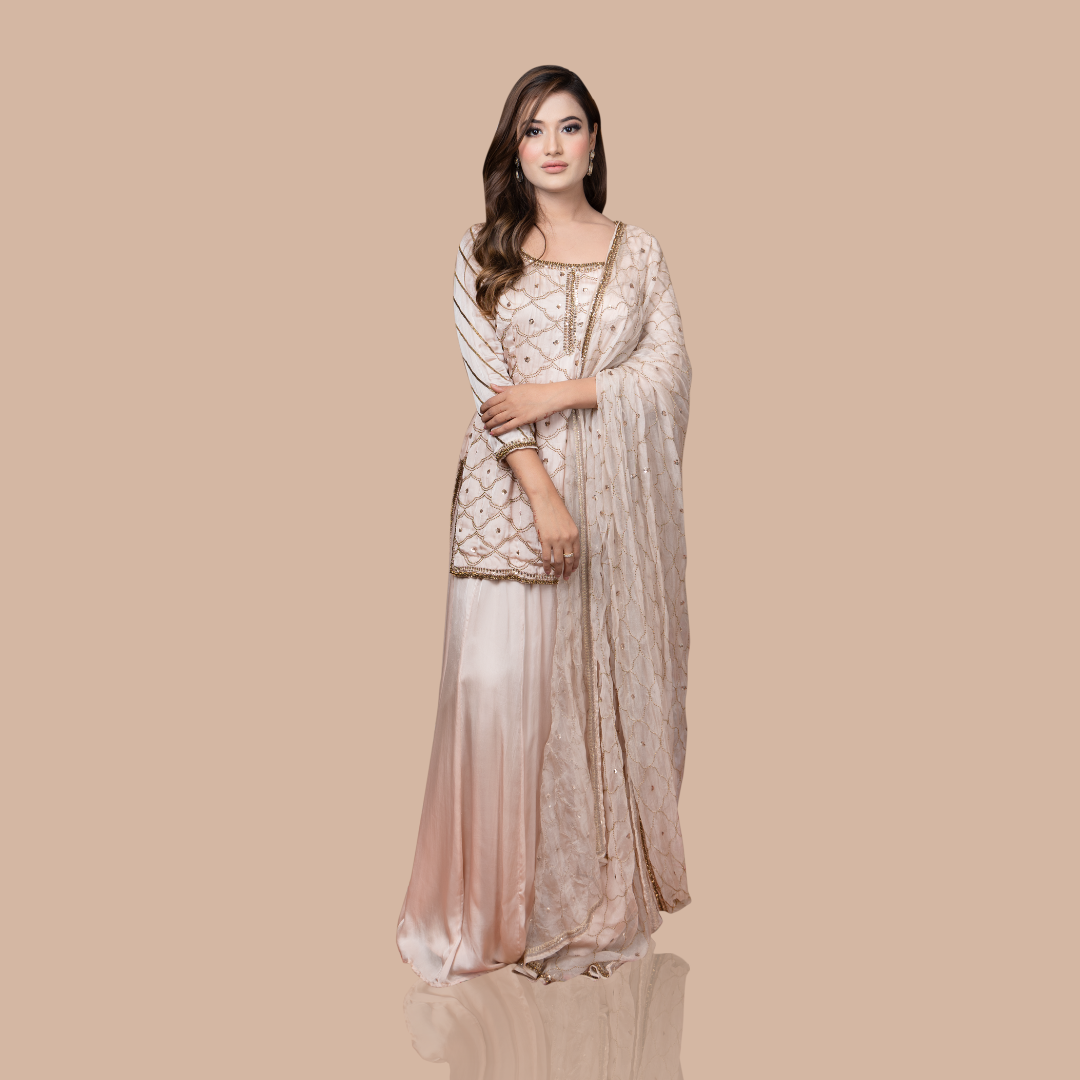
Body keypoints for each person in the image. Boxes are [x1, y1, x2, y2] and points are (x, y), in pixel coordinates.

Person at [396, 64, 692, 985]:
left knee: (591, 706)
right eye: (533, 130)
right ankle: (490, 917)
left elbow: (667, 374)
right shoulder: (482, 250)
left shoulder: (639, 253)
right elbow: (491, 385)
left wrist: (563, 391)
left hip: (615, 516)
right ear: (514, 150)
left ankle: (585, 902)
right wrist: (543, 494)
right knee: (500, 701)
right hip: (505, 508)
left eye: (569, 126)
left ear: (594, 144)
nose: (553, 145)